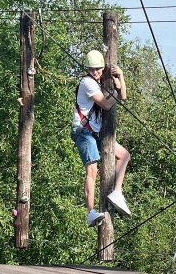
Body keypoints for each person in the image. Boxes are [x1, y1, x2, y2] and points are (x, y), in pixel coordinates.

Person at [71, 50, 131, 227]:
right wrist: (115, 89)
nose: (95, 72)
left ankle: (117, 192)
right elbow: (106, 104)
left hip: (96, 132)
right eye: (92, 69)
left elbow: (123, 96)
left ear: (103, 68)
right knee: (92, 170)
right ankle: (90, 212)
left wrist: (120, 77)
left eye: (98, 69)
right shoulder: (87, 83)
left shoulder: (102, 82)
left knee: (124, 155)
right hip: (83, 132)